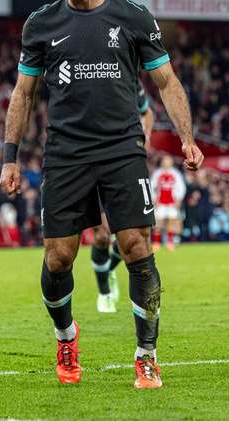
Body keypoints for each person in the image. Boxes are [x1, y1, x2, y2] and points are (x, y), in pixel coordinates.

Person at [0, 0, 203, 388]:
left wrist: (187, 138)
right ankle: (66, 336)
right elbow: (23, 93)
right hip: (66, 154)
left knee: (136, 247)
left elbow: (167, 83)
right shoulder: (41, 24)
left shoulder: (133, 18)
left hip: (122, 150)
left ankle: (146, 356)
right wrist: (10, 157)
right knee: (58, 258)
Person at [90, 82, 154, 314]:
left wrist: (144, 138)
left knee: (132, 235)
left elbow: (147, 112)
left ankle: (107, 269)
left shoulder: (130, 82)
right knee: (101, 236)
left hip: (123, 162)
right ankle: (104, 293)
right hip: (88, 161)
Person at [150, 155, 186, 251]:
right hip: (160, 202)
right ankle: (156, 243)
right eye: (165, 161)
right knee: (158, 223)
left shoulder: (176, 174)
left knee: (171, 222)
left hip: (172, 202)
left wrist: (178, 199)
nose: (166, 163)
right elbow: (151, 186)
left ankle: (170, 243)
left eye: (168, 161)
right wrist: (153, 199)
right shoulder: (157, 173)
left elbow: (181, 188)